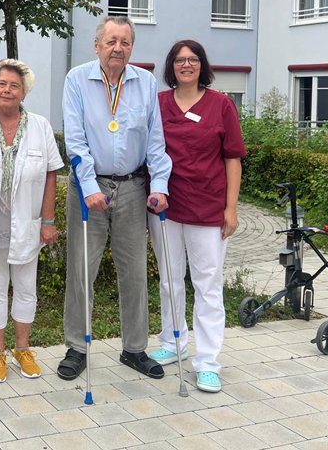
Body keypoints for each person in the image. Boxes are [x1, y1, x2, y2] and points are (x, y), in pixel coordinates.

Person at [59, 16, 172, 381]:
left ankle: (134, 348)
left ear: (131, 48)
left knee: (135, 272)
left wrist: (160, 186)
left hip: (133, 188)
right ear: (97, 46)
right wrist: (89, 186)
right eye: (110, 41)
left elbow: (155, 141)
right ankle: (77, 347)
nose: (117, 48)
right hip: (87, 190)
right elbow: (75, 142)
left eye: (124, 42)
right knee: (81, 270)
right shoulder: (77, 79)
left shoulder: (146, 82)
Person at [147, 40, 246, 393]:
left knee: (208, 286)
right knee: (169, 280)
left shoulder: (221, 105)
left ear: (202, 65)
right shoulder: (157, 104)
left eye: (192, 60)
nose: (185, 65)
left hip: (208, 209)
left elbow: (233, 158)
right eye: (179, 60)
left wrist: (230, 208)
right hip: (166, 210)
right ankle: (173, 343)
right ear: (170, 66)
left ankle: (207, 362)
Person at [0, 59, 63, 383]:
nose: (7, 90)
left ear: (23, 92)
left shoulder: (40, 126)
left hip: (26, 224)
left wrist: (48, 220)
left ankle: (22, 349)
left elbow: (51, 174)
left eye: (14, 85)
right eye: (2, 83)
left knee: (26, 288)